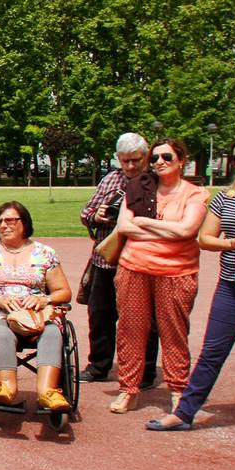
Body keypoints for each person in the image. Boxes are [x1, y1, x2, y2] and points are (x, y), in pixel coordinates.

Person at [147, 137, 235, 441]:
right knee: (213, 350)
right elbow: (205, 238)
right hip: (231, 286)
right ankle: (183, 413)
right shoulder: (225, 198)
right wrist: (230, 243)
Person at [109, 137, 208, 413]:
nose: (159, 163)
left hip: (176, 271)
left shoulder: (194, 194)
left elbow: (188, 231)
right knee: (130, 330)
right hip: (134, 267)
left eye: (166, 157)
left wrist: (145, 222)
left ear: (181, 161)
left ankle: (178, 389)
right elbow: (125, 227)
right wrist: (167, 230)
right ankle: (129, 389)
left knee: (173, 332)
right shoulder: (138, 187)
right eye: (154, 158)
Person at [0, 202, 74, 410]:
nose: (4, 225)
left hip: (37, 314)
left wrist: (45, 300)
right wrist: (0, 299)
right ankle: (6, 387)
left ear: (24, 223)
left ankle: (48, 392)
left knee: (52, 333)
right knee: (1, 333)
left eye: (10, 220)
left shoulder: (45, 253)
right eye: (0, 221)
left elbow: (64, 291)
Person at [79, 133, 160, 385]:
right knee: (100, 315)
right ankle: (99, 365)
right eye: (125, 161)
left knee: (143, 319)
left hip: (142, 261)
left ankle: (145, 371)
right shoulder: (111, 180)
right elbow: (86, 212)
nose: (131, 166)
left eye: (136, 160)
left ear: (145, 157)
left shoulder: (156, 183)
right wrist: (98, 216)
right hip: (106, 261)